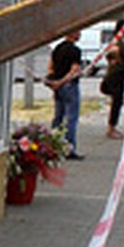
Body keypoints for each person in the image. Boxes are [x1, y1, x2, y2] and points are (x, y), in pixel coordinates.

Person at [45, 30, 84, 159]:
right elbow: (74, 70)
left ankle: (52, 146)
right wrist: (63, 82)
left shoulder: (57, 48)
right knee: (71, 118)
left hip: (58, 87)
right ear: (72, 34)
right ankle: (69, 148)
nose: (80, 34)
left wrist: (54, 82)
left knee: (58, 117)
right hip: (69, 86)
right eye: (78, 31)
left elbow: (51, 67)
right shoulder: (75, 50)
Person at [99, 21, 124, 139]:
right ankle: (111, 128)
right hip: (115, 76)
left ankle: (112, 126)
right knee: (116, 102)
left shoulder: (120, 42)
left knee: (118, 102)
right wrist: (115, 59)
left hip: (120, 76)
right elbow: (110, 53)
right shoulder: (117, 42)